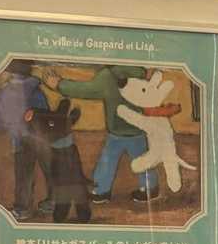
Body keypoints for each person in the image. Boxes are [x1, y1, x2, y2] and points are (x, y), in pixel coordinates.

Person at [42, 65, 157, 204]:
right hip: (138, 128)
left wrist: (60, 84)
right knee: (142, 159)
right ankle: (150, 188)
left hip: (117, 131)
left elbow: (85, 90)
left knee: (108, 160)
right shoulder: (140, 73)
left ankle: (101, 191)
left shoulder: (108, 76)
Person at [0, 60, 50, 218]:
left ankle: (23, 209)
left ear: (11, 72)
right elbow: (45, 112)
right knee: (49, 170)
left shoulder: (3, 92)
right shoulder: (37, 91)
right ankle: (52, 203)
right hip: (41, 137)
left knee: (24, 175)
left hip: (20, 140)